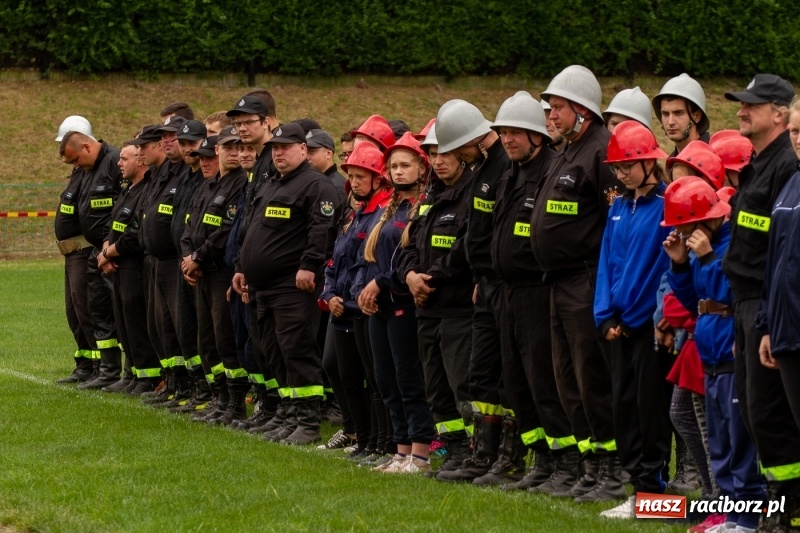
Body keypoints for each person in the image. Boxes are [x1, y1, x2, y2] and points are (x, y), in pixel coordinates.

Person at [487, 92, 586, 494]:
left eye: (515, 132)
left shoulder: (549, 171)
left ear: (536, 136)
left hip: (537, 292)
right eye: (503, 132)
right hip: (507, 292)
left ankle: (567, 462)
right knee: (517, 383)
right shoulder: (509, 175)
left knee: (545, 381)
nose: (507, 140)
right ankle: (542, 459)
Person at [531, 65, 622, 500]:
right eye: (550, 108)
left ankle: (612, 470)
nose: (550, 115)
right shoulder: (568, 150)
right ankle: (590, 465)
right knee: (567, 379)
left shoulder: (601, 151)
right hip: (558, 282)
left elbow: (615, 223)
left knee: (592, 379)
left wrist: (608, 291)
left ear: (582, 110)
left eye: (558, 108)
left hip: (586, 281)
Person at [664, 177, 766, 533]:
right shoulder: (702, 250)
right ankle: (729, 515)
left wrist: (707, 257)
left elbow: (732, 294)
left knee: (740, 445)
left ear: (703, 219)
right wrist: (680, 265)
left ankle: (748, 519)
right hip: (710, 360)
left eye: (684, 226)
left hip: (732, 358)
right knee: (720, 445)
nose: (681, 234)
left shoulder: (731, 246)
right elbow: (696, 302)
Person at [722, 74, 800, 531]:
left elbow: (782, 252)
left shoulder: (786, 166)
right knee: (755, 412)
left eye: (751, 104)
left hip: (767, 303)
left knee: (771, 412)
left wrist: (766, 318)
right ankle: (779, 505)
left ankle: (786, 508)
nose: (740, 111)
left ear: (779, 113)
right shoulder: (759, 163)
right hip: (747, 303)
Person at [233, 123, 340, 445]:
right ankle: (287, 415)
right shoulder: (270, 184)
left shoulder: (316, 186)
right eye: (275, 148)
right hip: (262, 287)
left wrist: (309, 266)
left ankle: (307, 422)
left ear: (303, 149)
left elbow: (322, 231)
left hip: (292, 287)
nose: (278, 153)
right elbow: (252, 230)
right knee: (273, 352)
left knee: (296, 350)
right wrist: (241, 268)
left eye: (286, 147)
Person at [430, 99, 512, 483]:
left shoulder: (504, 167)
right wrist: (479, 277)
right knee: (479, 376)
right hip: (485, 285)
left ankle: (508, 459)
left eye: (459, 148)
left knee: (504, 378)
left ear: (474, 139)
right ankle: (484, 455)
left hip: (503, 284)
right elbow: (475, 232)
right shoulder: (481, 168)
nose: (456, 156)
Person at [594, 121, 673, 518]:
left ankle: (653, 494)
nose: (622, 174)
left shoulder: (667, 205)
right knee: (624, 407)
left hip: (648, 326)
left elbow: (662, 268)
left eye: (628, 166)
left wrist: (640, 317)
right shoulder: (619, 207)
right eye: (617, 168)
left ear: (649, 163)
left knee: (650, 408)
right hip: (619, 325)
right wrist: (605, 315)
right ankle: (638, 491)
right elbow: (606, 263)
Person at [396, 122, 474, 475]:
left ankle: (475, 452)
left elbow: (467, 248)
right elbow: (408, 247)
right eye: (432, 154)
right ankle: (453, 451)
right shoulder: (430, 198)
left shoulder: (472, 194)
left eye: (444, 153)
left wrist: (431, 277)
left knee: (462, 385)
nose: (438, 160)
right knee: (437, 389)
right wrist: (410, 275)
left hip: (458, 308)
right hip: (426, 308)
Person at [356, 132, 435, 474]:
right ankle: (401, 451)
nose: (399, 171)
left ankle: (421, 453)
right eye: (394, 166)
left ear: (422, 168)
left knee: (408, 379)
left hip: (404, 304)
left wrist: (381, 283)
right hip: (381, 307)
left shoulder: (424, 207)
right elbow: (372, 257)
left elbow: (410, 260)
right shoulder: (391, 208)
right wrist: (365, 289)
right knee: (386, 380)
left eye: (406, 165)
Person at [319, 141, 393, 459]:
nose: (355, 182)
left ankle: (379, 443)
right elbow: (334, 262)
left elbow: (367, 265)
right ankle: (363, 441)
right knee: (345, 376)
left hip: (361, 310)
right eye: (352, 176)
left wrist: (347, 301)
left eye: (361, 176)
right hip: (341, 309)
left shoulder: (380, 215)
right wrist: (328, 295)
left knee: (374, 379)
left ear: (378, 179)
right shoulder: (356, 215)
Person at [181, 126, 249, 426]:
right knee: (207, 339)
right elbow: (190, 227)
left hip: (220, 271)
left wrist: (198, 257)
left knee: (225, 338)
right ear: (218, 149)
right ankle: (219, 397)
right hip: (202, 273)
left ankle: (235, 403)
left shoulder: (240, 184)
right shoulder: (207, 186)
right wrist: (188, 257)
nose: (234, 153)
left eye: (238, 147)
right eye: (228, 147)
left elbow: (226, 231)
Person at [96, 142, 162, 394]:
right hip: (117, 265)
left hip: (133, 264)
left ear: (140, 161)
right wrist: (106, 249)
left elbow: (135, 233)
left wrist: (109, 253)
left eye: (124, 159)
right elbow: (110, 225)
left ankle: (149, 376)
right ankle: (132, 371)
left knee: (136, 321)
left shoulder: (146, 190)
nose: (118, 163)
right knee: (123, 322)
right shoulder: (127, 190)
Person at [59, 131, 123, 390]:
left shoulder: (114, 161)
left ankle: (118, 371)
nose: (76, 166)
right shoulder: (88, 169)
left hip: (110, 251)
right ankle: (102, 369)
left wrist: (109, 244)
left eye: (75, 159)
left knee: (116, 313)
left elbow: (122, 207)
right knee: (94, 311)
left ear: (86, 147)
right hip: (96, 251)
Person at [54, 116, 98, 384]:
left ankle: (99, 366)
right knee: (74, 312)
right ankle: (84, 363)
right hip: (71, 253)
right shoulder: (79, 173)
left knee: (86, 309)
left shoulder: (92, 172)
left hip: (83, 250)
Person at [652, 73, 710, 156]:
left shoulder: (711, 156)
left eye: (678, 113)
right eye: (665, 114)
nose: (670, 122)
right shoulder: (673, 159)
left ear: (697, 116)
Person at [306, 128, 346, 208]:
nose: (306, 157)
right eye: (305, 151)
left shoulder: (337, 187)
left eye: (311, 151)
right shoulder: (311, 181)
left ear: (328, 154)